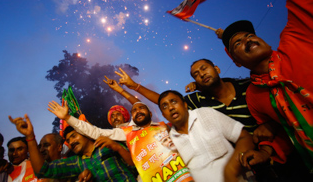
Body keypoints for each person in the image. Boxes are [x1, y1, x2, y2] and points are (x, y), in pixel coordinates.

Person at [221, 0, 313, 174]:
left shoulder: (295, 39)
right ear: (236, 61)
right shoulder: (253, 96)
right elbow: (281, 131)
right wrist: (265, 152)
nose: (248, 39)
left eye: (249, 35)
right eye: (238, 43)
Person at [48, 100, 194, 182]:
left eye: (141, 108)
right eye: (111, 117)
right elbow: (95, 132)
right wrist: (68, 118)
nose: (114, 118)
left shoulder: (162, 127)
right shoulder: (125, 133)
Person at [114, 67, 258, 134]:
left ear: (217, 69)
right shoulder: (199, 100)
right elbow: (166, 101)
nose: (201, 74)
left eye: (204, 68)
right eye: (196, 74)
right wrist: (134, 86)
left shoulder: (248, 86)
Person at [158, 90, 255, 182]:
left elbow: (245, 137)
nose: (171, 108)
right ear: (164, 115)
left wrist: (231, 169)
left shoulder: (206, 114)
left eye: (174, 102)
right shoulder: (170, 142)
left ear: (185, 104)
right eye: (165, 106)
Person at [8, 114, 137, 182]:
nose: (71, 142)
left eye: (74, 136)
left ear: (86, 135)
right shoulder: (76, 162)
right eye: (68, 140)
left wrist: (118, 148)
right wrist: (30, 136)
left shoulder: (109, 145)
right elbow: (42, 171)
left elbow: (135, 166)